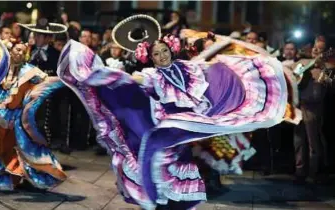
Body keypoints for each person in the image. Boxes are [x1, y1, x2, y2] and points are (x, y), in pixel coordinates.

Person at [58, 15, 287, 209]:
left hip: (187, 127)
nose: (162, 56)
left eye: (164, 51)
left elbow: (210, 71)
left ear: (171, 49)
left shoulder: (188, 67)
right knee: (160, 166)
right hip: (168, 129)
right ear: (151, 58)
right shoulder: (151, 75)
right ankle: (158, 199)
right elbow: (129, 80)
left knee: (182, 173)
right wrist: (97, 74)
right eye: (156, 54)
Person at [0, 33, 66, 190]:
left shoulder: (29, 71)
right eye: (17, 50)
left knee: (6, 148)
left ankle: (6, 176)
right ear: (11, 51)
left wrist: (66, 80)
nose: (19, 53)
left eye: (22, 51)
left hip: (12, 117)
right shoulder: (2, 66)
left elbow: (46, 80)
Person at [19, 18, 71, 154]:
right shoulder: (28, 52)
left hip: (50, 96)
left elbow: (62, 77)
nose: (36, 38)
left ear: (48, 38)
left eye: (40, 35)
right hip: (29, 93)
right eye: (35, 34)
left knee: (46, 122)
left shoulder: (57, 54)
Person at [292, 36, 331, 184]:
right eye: (315, 47)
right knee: (298, 141)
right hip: (298, 106)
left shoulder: (327, 68)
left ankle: (312, 174)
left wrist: (323, 71)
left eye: (320, 49)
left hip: (313, 108)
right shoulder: (302, 63)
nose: (315, 50)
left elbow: (330, 85)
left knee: (312, 142)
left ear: (326, 52)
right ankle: (299, 171)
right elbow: (291, 76)